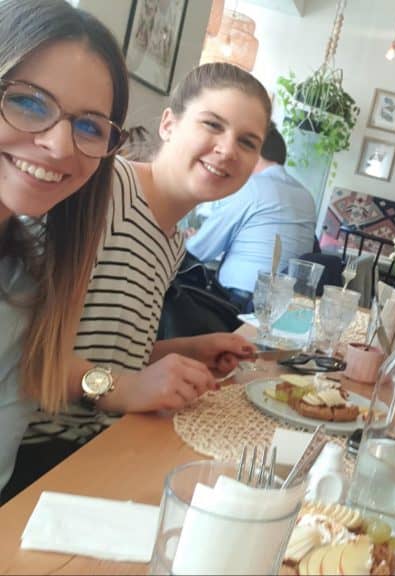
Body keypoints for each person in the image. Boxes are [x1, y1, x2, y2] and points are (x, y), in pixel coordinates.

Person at [5, 62, 271, 501]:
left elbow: (106, 353)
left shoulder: (173, 240)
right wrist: (125, 388)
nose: (227, 149)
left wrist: (189, 350)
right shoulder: (105, 194)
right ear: (169, 124)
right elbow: (22, 351)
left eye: (247, 142)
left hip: (103, 441)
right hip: (35, 454)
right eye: (212, 124)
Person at [0, 0, 129, 496]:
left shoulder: (24, 281)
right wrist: (116, 386)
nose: (59, 145)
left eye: (89, 126)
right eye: (28, 102)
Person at [186, 124, 316, 311]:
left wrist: (192, 238)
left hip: (240, 301)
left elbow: (199, 251)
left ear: (253, 156)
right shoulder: (306, 196)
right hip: (285, 305)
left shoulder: (252, 187)